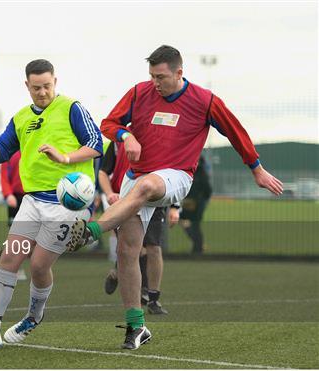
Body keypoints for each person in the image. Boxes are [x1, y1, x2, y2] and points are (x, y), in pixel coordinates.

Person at [67, 45, 283, 350]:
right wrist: (125, 136)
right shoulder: (139, 93)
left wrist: (256, 169)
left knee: (146, 188)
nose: (156, 82)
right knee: (128, 252)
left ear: (179, 72)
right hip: (135, 177)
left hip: (176, 176)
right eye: (152, 76)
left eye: (162, 76)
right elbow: (108, 124)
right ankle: (136, 327)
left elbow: (236, 132)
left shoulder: (205, 101)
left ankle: (90, 231)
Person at [0, 59, 102, 349]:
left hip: (68, 203)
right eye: (36, 87)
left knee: (39, 266)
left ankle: (33, 317)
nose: (42, 92)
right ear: (27, 85)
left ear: (56, 81)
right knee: (10, 259)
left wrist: (64, 158)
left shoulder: (71, 108)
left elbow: (95, 143)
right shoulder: (21, 118)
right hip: (33, 200)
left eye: (47, 86)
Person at [100, 141, 179, 315]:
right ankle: (131, 283)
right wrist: (109, 194)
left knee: (153, 248)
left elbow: (174, 172)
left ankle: (153, 299)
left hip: (155, 198)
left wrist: (175, 206)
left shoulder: (158, 136)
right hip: (125, 200)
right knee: (134, 249)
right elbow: (103, 172)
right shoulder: (117, 140)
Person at [0, 151, 27, 280]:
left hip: (34, 197)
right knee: (16, 236)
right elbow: (4, 177)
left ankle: (40, 267)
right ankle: (16, 268)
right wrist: (8, 194)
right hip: (15, 199)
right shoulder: (9, 153)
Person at [180, 155, 212, 254]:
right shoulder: (198, 173)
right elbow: (208, 191)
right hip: (192, 202)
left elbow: (207, 190)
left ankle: (198, 247)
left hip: (195, 203)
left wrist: (200, 201)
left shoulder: (198, 173)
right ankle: (198, 245)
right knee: (190, 223)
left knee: (193, 224)